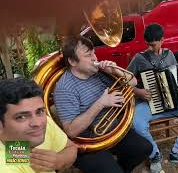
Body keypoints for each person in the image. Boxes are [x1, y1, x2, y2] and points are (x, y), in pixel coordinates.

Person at [53, 36, 152, 173]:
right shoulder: (65, 88)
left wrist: (115, 69)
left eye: (94, 52)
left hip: (113, 131)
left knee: (144, 148)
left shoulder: (98, 73)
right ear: (72, 61)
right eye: (88, 55)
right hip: (88, 143)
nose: (95, 58)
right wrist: (101, 103)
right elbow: (71, 131)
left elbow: (133, 83)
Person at [127, 23, 178, 173]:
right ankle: (154, 155)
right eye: (148, 45)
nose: (150, 48)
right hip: (149, 103)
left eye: (153, 44)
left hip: (172, 104)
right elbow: (124, 81)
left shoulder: (169, 54)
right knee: (136, 123)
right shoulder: (139, 58)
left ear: (163, 40)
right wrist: (138, 91)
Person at [0, 78, 77, 173]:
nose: (37, 123)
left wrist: (59, 161)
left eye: (39, 111)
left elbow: (70, 147)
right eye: (21, 117)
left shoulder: (16, 147)